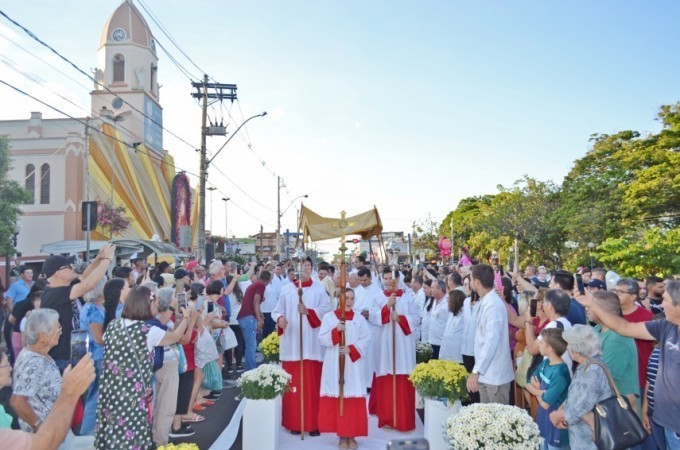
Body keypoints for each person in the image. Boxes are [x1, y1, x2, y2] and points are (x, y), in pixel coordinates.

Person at [574, 281, 680, 448]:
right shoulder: (665, 326)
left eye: (665, 300)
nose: (661, 304)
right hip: (665, 420)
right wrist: (592, 304)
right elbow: (625, 327)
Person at [94, 286, 192, 450]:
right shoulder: (148, 330)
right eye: (154, 304)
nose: (157, 307)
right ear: (146, 305)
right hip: (134, 392)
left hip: (111, 391)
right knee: (133, 430)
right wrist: (187, 318)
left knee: (113, 429)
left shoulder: (113, 326)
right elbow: (176, 337)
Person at [272, 257, 331, 436]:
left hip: (312, 345)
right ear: (295, 269)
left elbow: (327, 311)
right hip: (292, 345)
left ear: (311, 268)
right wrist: (280, 319)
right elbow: (276, 311)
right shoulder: (287, 290)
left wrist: (309, 312)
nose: (304, 269)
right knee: (294, 388)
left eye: (307, 266)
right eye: (301, 266)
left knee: (313, 387)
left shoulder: (319, 289)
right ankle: (294, 422)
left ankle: (314, 423)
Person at [41, 244, 115, 372]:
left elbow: (86, 276)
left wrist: (99, 258)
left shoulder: (65, 288)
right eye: (68, 266)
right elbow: (90, 284)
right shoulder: (53, 293)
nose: (72, 268)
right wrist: (107, 260)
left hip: (74, 352)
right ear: (58, 273)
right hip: (61, 357)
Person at [0, 351, 96, 450]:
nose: (11, 368)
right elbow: (17, 401)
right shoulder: (32, 359)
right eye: (6, 365)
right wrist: (69, 393)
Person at [318, 289, 370, 450]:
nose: (349, 301)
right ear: (339, 299)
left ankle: (352, 434)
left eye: (352, 298)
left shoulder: (359, 319)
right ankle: (342, 435)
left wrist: (351, 349)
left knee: (351, 396)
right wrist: (336, 331)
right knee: (339, 396)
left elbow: (366, 339)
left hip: (353, 364)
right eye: (346, 298)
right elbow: (322, 339)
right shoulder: (329, 317)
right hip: (335, 363)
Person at [368, 269, 419, 431]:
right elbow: (373, 317)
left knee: (403, 381)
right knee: (386, 380)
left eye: (392, 278)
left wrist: (401, 319)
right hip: (384, 346)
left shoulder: (408, 298)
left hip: (403, 347)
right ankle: (388, 418)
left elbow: (417, 318)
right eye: (386, 278)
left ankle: (403, 420)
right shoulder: (378, 297)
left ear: (398, 279)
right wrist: (387, 307)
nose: (389, 281)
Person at [549, 325, 612, 450]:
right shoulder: (586, 364)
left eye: (569, 344)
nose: (567, 347)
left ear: (578, 349)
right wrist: (564, 409)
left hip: (592, 441)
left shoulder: (593, 369)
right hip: (582, 438)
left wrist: (558, 415)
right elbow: (576, 394)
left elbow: (583, 406)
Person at [465, 264, 514, 404]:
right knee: (485, 419)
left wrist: (476, 371)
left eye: (471, 279)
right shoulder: (485, 301)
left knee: (496, 420)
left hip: (495, 375)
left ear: (477, 282)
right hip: (485, 374)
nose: (470, 283)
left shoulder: (493, 304)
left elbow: (491, 341)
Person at [586, 290, 640, 407]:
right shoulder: (597, 328)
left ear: (603, 311)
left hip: (619, 411)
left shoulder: (617, 338)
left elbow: (600, 375)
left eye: (590, 307)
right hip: (606, 404)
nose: (587, 309)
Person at [525, 328, 571, 450]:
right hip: (543, 423)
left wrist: (537, 389)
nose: (538, 344)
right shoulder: (546, 363)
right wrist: (541, 391)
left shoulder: (560, 373)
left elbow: (545, 404)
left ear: (550, 348)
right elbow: (528, 384)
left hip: (556, 430)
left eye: (541, 343)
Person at [78, 278, 107, 435]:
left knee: (98, 399)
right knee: (94, 399)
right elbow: (99, 338)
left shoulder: (97, 307)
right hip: (96, 358)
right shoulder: (92, 310)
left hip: (99, 357)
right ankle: (87, 436)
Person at [238, 270, 269, 371]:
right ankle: (251, 370)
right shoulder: (261, 285)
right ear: (268, 280)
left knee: (250, 345)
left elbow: (254, 302)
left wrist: (259, 313)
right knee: (251, 346)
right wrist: (259, 319)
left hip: (245, 317)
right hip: (248, 318)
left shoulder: (255, 284)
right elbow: (256, 301)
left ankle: (250, 368)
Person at [427, 280, 448, 359]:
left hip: (441, 342)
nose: (430, 290)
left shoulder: (447, 302)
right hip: (432, 340)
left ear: (439, 289)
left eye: (432, 288)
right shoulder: (434, 301)